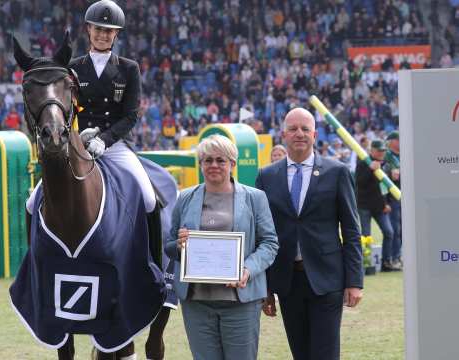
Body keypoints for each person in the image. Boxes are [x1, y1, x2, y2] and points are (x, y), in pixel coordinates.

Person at [255, 108, 363, 360]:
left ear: (315, 134)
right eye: (293, 129)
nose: (299, 134)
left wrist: (354, 281)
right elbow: (261, 234)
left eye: (305, 129)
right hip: (287, 282)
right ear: (283, 134)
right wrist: (266, 287)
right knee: (300, 353)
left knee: (325, 354)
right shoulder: (266, 176)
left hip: (328, 280)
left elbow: (351, 230)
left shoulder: (338, 172)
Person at [165, 134, 278, 360]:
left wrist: (247, 269)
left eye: (221, 160)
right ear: (201, 164)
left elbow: (269, 243)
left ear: (233, 164)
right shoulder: (185, 198)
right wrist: (179, 245)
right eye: (208, 160)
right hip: (197, 303)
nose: (214, 165)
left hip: (241, 302)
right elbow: (169, 246)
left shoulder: (255, 198)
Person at [70, 0, 156, 214]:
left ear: (116, 33)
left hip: (115, 145)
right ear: (88, 28)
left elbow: (130, 116)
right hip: (81, 144)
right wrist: (77, 137)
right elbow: (68, 109)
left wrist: (104, 140)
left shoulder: (129, 68)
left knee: (148, 198)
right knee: (34, 202)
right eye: (98, 28)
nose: (103, 34)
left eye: (109, 31)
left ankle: (153, 249)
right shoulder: (73, 68)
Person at [356, 139, 398, 272]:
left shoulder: (385, 165)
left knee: (389, 232)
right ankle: (367, 265)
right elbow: (359, 183)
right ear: (372, 151)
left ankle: (386, 262)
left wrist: (387, 203)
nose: (381, 153)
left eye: (383, 151)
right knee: (366, 236)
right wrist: (370, 169)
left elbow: (384, 187)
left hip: (380, 207)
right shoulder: (363, 162)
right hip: (364, 206)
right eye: (379, 151)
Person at [383, 130, 402, 269]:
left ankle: (398, 256)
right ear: (393, 142)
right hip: (392, 197)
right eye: (398, 139)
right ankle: (393, 258)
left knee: (402, 230)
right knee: (395, 229)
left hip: (403, 195)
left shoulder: (403, 154)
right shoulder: (387, 156)